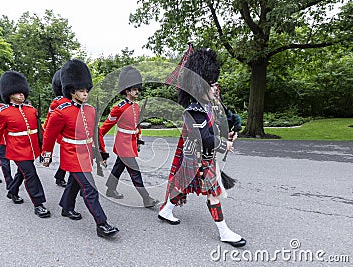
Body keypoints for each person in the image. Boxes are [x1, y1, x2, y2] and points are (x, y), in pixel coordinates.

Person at [158, 48, 246, 248]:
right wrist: (225, 144)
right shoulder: (194, 111)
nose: (216, 89)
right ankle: (224, 232)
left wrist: (228, 132)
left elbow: (215, 126)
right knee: (213, 193)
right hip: (197, 157)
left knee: (183, 186)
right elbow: (205, 138)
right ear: (200, 86)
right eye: (212, 85)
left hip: (200, 157)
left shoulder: (207, 105)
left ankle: (165, 211)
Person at [41, 59, 119, 238]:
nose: (85, 94)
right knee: (90, 189)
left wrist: (101, 153)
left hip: (86, 154)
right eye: (81, 91)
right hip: (71, 154)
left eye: (86, 91)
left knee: (74, 183)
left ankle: (66, 207)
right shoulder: (61, 111)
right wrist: (46, 155)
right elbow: (49, 136)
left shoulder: (90, 110)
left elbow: (95, 132)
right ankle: (102, 224)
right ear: (72, 91)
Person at [0, 71, 50, 218]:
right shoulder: (2, 112)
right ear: (9, 94)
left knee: (22, 173)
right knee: (31, 174)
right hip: (17, 149)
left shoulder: (31, 110)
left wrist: (44, 148)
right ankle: (38, 204)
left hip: (32, 148)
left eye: (23, 91)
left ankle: (12, 191)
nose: (22, 94)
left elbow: (39, 131)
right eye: (17, 92)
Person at [99, 66, 158, 208]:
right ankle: (146, 199)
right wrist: (99, 146)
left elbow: (137, 126)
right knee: (135, 172)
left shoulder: (136, 106)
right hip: (122, 144)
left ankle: (110, 189)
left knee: (119, 166)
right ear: (127, 90)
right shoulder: (118, 107)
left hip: (130, 142)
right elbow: (105, 128)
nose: (137, 92)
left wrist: (138, 140)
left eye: (138, 89)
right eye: (135, 89)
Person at [43, 69, 70, 187]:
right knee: (70, 158)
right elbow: (51, 120)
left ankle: (60, 176)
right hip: (64, 133)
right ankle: (61, 177)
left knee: (70, 158)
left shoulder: (62, 100)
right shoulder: (60, 101)